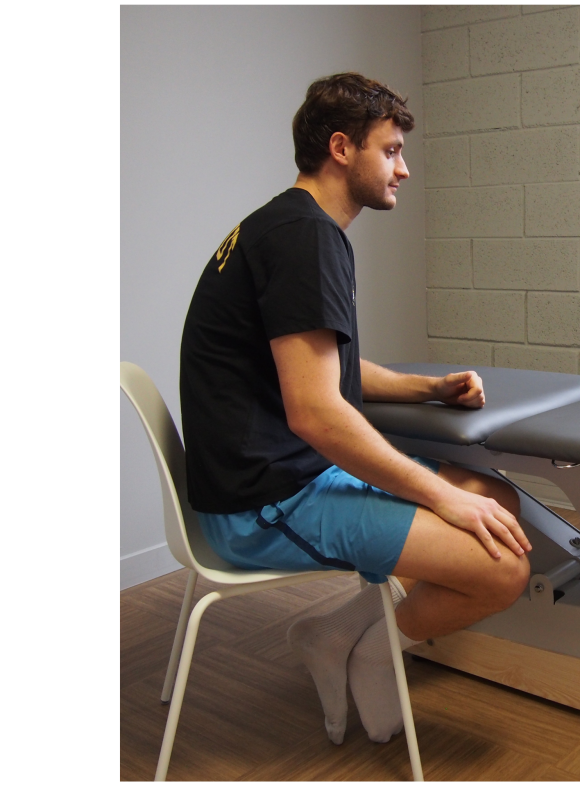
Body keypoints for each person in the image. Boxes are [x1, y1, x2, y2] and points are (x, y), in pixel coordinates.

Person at [179, 73, 531, 746]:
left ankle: (334, 632)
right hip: (261, 506)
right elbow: (316, 413)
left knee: (496, 500)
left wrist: (429, 389)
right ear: (342, 149)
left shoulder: (285, 225)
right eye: (391, 150)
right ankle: (377, 653)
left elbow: (321, 370)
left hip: (281, 477)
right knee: (503, 566)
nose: (403, 169)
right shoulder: (305, 238)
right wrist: (439, 496)